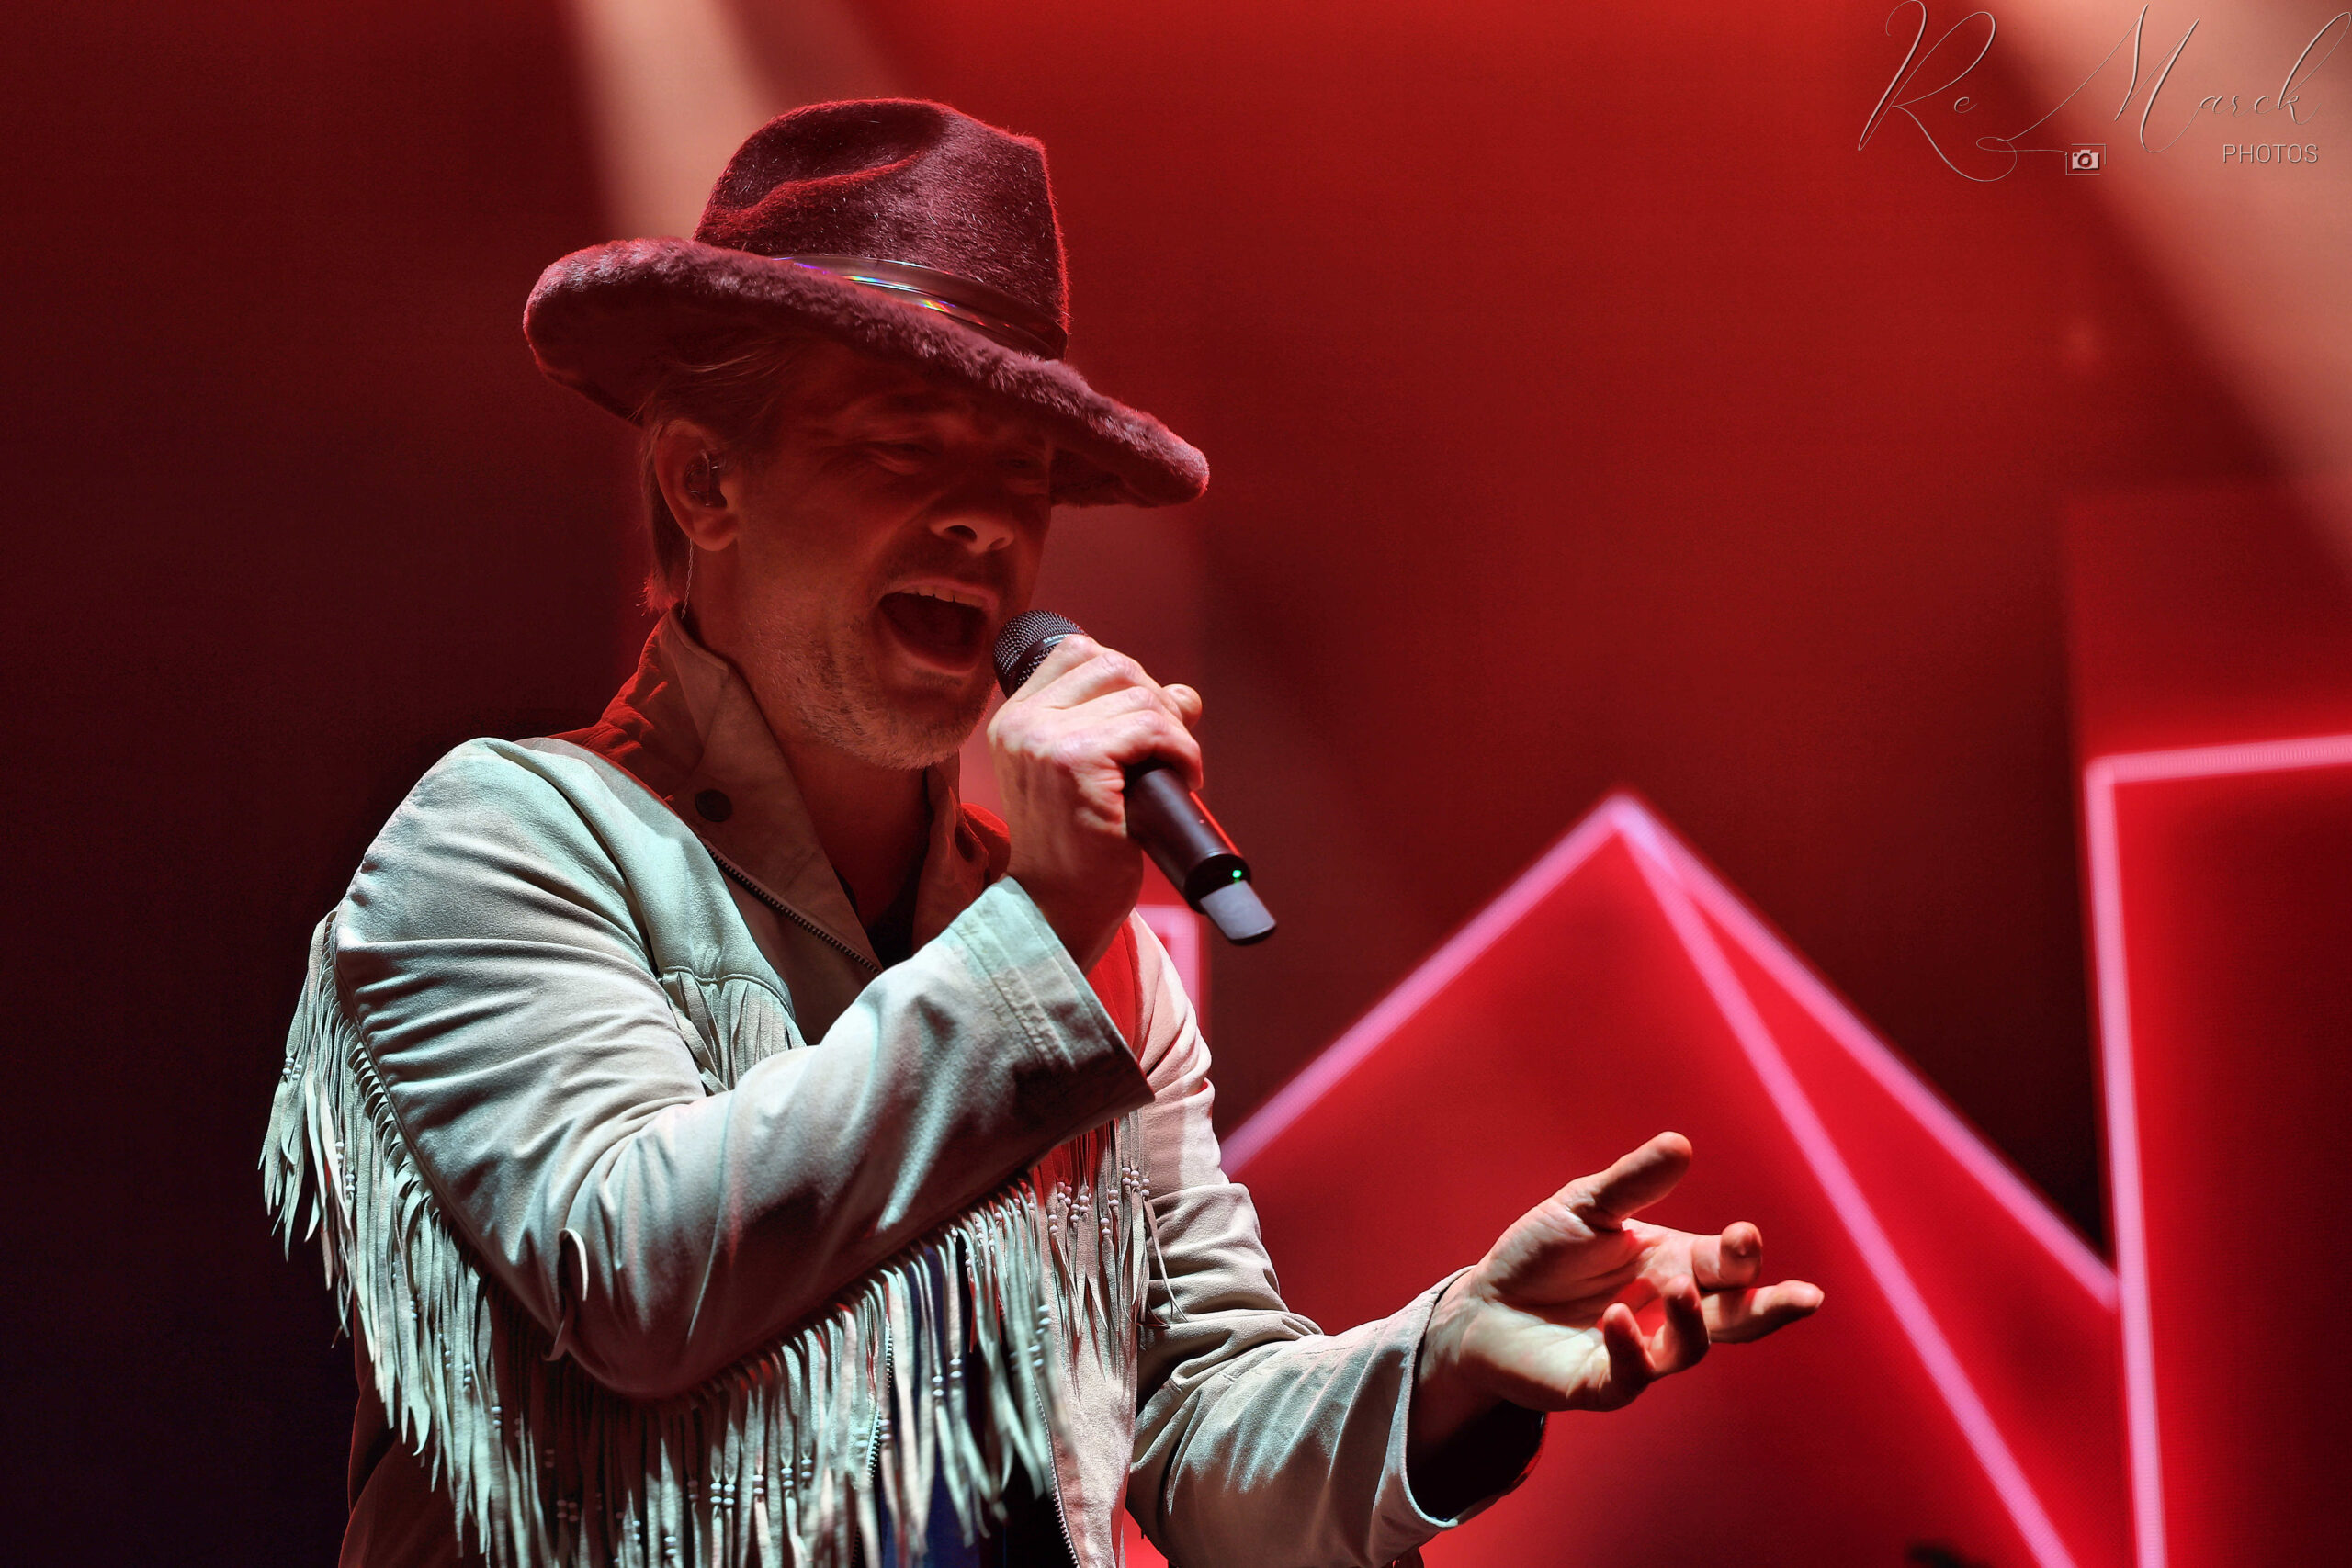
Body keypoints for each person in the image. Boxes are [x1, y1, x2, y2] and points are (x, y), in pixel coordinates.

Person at [262, 99, 1821, 1568]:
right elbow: (636, 1279)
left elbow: (1200, 1437)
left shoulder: (1088, 963)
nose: (985, 519)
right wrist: (1041, 939)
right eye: (902, 444)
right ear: (704, 478)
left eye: (1021, 474)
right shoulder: (507, 842)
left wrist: (1448, 1366)